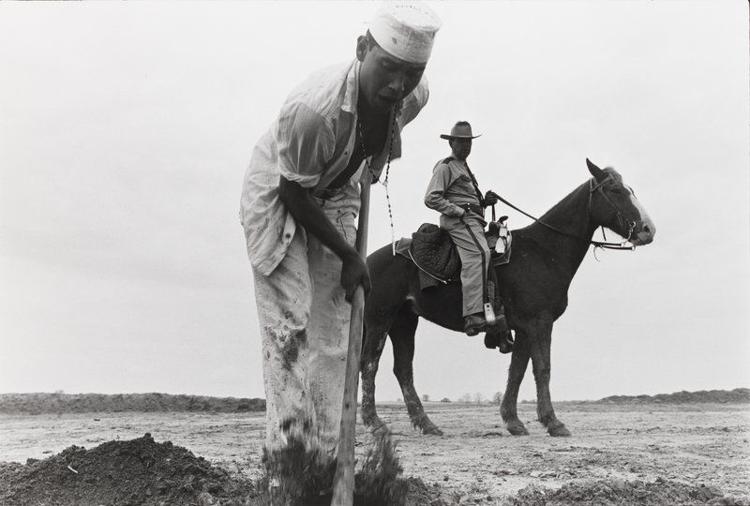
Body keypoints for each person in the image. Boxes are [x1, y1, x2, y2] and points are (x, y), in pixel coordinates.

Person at [239, 1, 441, 497]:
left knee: (335, 333)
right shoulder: (314, 109)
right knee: (291, 330)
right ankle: (287, 473)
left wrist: (350, 213)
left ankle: (331, 466)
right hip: (282, 192)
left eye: (410, 73)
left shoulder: (416, 96)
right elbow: (294, 192)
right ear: (361, 50)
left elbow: (365, 158)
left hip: (337, 188)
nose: (397, 85)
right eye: (388, 69)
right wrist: (351, 254)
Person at [424, 121, 502, 336]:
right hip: (460, 221)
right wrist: (458, 211)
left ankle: (495, 311)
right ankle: (472, 315)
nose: (466, 146)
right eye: (461, 142)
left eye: (469, 142)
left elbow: (466, 197)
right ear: (451, 142)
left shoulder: (464, 168)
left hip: (473, 220)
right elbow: (431, 198)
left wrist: (484, 202)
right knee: (479, 253)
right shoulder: (446, 166)